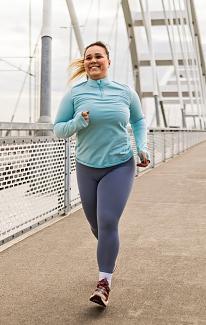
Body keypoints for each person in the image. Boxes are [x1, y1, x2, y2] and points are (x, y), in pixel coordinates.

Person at [53, 41, 150, 307]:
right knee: (96, 226)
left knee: (107, 221)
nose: (93, 61)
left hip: (119, 164)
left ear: (108, 61)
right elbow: (58, 129)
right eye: (88, 58)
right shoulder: (75, 93)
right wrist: (77, 122)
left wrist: (141, 147)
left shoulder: (125, 92)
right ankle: (109, 252)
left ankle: (104, 283)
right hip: (86, 167)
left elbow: (139, 121)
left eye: (98, 56)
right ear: (84, 63)